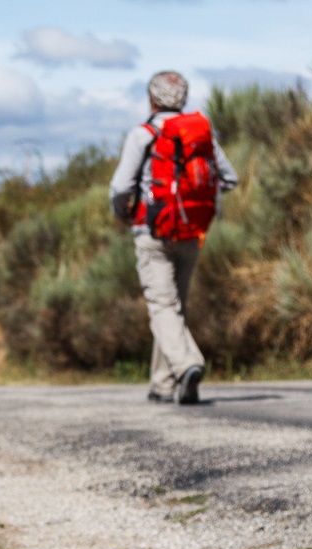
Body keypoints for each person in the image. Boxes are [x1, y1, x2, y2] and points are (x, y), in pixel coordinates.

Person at [108, 70, 238, 405]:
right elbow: (230, 178)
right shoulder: (199, 134)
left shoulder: (144, 134)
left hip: (153, 231)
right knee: (174, 307)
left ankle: (187, 365)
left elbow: (121, 187)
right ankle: (162, 384)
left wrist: (123, 213)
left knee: (162, 305)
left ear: (151, 99)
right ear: (183, 98)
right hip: (192, 230)